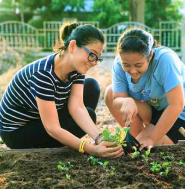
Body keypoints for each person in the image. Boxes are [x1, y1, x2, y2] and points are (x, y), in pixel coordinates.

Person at [0, 22, 123, 158]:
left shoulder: (76, 69)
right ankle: (63, 142)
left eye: (97, 58)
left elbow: (77, 108)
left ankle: (65, 141)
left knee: (91, 87)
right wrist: (90, 149)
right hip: (17, 132)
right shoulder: (43, 74)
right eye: (92, 55)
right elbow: (52, 127)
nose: (94, 62)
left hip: (41, 119)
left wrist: (100, 138)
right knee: (89, 115)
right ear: (72, 46)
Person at [104, 28, 185, 151]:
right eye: (126, 65)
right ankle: (141, 136)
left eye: (138, 65)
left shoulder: (165, 60)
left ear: (150, 55)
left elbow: (177, 105)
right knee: (110, 92)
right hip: (155, 106)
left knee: (150, 148)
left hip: (184, 113)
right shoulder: (119, 64)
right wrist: (126, 101)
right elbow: (116, 100)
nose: (132, 71)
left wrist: (152, 138)